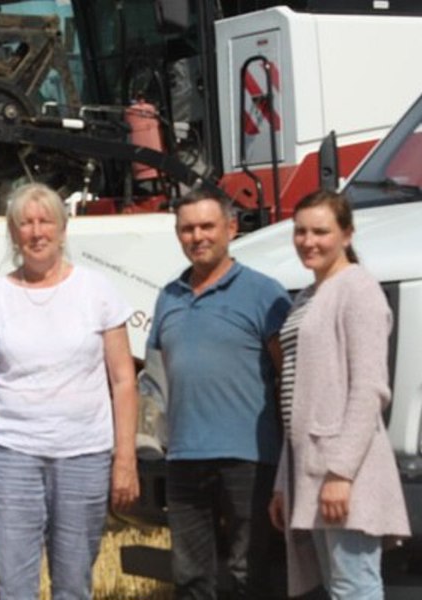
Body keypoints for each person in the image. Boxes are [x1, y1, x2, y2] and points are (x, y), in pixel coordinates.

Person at [0, 182, 139, 599]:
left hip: (83, 454)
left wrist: (125, 457)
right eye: (26, 223)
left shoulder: (97, 291)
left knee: (74, 582)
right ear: (13, 233)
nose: (36, 232)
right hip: (9, 454)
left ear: (62, 230)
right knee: (13, 584)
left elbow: (123, 379)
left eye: (46, 222)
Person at [147, 189, 291, 599]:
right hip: (184, 458)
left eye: (207, 226)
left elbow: (287, 377)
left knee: (250, 573)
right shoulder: (168, 297)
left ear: (230, 228)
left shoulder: (265, 294)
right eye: (187, 229)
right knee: (191, 576)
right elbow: (155, 377)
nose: (197, 236)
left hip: (248, 457)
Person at [268, 190, 410, 599]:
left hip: (344, 472)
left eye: (320, 232)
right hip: (309, 469)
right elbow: (297, 396)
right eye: (300, 231)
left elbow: (369, 389)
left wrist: (341, 473)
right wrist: (284, 481)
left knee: (354, 585)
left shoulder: (358, 289)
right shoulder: (308, 296)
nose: (308, 241)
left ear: (346, 235)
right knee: (336, 586)